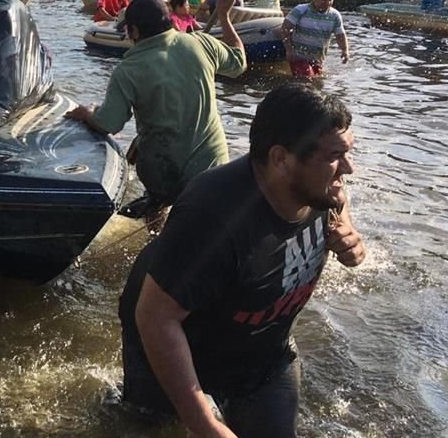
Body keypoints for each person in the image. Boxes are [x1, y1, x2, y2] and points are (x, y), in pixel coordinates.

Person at [119, 83, 366, 438]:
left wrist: (351, 239)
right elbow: (155, 317)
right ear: (281, 159)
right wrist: (206, 427)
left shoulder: (323, 187)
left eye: (348, 153)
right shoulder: (213, 217)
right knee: (151, 427)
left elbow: (341, 204)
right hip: (179, 338)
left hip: (265, 354)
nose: (348, 169)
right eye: (334, 156)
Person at [66, 0, 246, 214]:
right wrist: (224, 15)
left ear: (135, 31)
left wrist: (86, 113)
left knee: (156, 217)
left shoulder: (128, 70)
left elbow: (108, 124)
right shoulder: (201, 43)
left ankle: (155, 214)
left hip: (165, 178)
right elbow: (239, 62)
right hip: (214, 171)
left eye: (127, 31)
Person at [282, 0, 349, 79]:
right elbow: (285, 28)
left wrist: (345, 51)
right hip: (298, 57)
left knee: (318, 81)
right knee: (306, 79)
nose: (328, 3)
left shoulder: (335, 15)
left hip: (317, 59)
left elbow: (340, 35)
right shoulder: (301, 10)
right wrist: (289, 50)